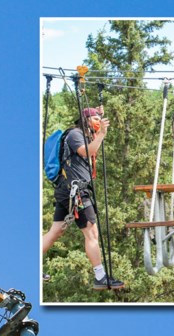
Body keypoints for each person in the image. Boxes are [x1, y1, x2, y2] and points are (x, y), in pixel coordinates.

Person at [42, 106, 124, 290]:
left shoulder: (85, 135)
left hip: (69, 189)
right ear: (85, 120)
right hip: (75, 190)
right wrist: (102, 134)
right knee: (91, 232)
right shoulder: (75, 135)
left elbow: (92, 149)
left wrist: (99, 116)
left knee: (56, 231)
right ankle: (100, 276)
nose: (98, 122)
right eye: (94, 118)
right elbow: (86, 152)